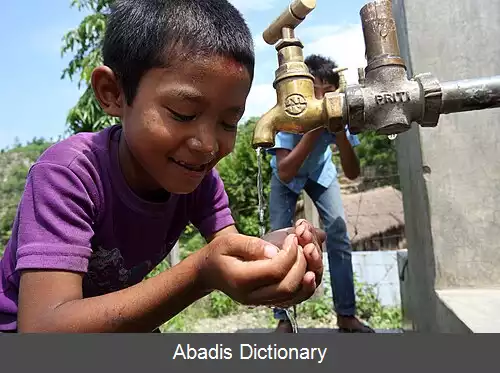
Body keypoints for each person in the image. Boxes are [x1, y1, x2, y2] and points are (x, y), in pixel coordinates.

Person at [0, 0, 325, 333]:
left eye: (229, 122)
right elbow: (41, 330)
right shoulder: (68, 176)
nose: (207, 144)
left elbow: (230, 251)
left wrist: (281, 252)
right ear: (113, 93)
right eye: (183, 114)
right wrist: (198, 275)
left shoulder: (201, 181)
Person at [266, 54, 374, 333]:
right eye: (317, 91)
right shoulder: (288, 112)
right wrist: (313, 130)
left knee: (338, 236)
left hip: (321, 172)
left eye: (329, 92)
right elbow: (286, 170)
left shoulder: (339, 114)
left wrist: (338, 133)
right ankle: (284, 319)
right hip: (286, 178)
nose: (323, 99)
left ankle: (346, 315)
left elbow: (351, 172)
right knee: (281, 241)